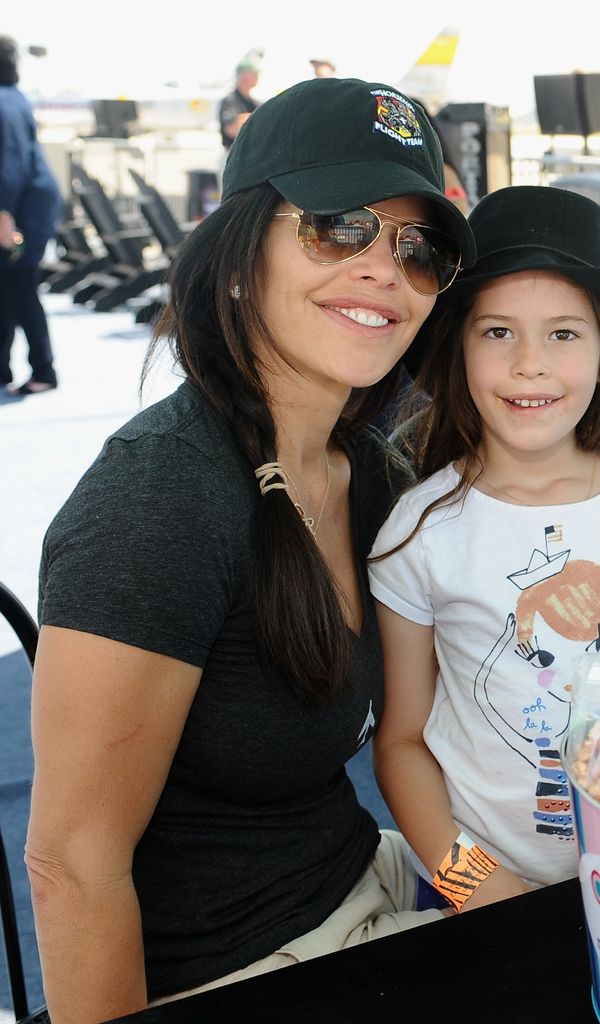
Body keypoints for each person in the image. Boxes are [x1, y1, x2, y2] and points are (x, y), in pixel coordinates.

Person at [25, 77, 475, 1024]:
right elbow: (71, 863)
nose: (384, 271)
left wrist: (485, 892)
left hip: (370, 874)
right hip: (247, 959)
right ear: (237, 257)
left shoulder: (370, 472)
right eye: (338, 229)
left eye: (419, 251)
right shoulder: (159, 502)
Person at [367, 184, 600, 914]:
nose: (530, 363)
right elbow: (400, 744)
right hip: (469, 896)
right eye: (497, 331)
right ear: (459, 348)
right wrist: (474, 886)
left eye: (563, 333)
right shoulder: (418, 530)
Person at [0, 35, 62, 395]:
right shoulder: (12, 97)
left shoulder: (3, 103)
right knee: (6, 287)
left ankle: (44, 370)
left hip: (24, 209)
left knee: (21, 286)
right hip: (25, 204)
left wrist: (4, 215)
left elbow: (9, 163)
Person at [218, 50, 262, 153]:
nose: (257, 77)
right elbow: (231, 129)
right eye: (254, 73)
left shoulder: (255, 103)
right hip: (233, 155)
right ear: (243, 76)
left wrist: (245, 120)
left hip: (251, 154)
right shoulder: (229, 101)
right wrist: (254, 122)